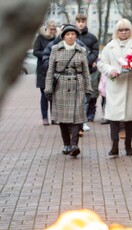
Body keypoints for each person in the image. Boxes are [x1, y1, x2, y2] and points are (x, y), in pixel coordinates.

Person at [97, 18, 132, 157]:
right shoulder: (109, 46)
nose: (123, 32)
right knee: (114, 118)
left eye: (126, 30)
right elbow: (101, 63)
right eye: (121, 30)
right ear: (116, 32)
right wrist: (111, 70)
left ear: (131, 31)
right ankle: (114, 145)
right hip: (115, 86)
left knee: (130, 118)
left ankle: (128, 145)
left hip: (130, 85)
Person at [45, 25, 92, 157]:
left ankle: (74, 145)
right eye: (68, 34)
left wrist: (88, 88)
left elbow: (86, 71)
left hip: (78, 85)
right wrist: (48, 88)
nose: (70, 36)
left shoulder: (81, 50)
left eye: (73, 34)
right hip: (61, 85)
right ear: (63, 36)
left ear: (76, 36)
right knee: (63, 118)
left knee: (78, 117)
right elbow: (50, 71)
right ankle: (66, 143)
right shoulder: (55, 49)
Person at [74, 13, 99, 132]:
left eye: (83, 21)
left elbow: (95, 51)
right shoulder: (70, 35)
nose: (81, 23)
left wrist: (87, 62)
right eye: (79, 21)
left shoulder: (92, 37)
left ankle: (83, 121)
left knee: (85, 97)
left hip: (88, 71)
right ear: (75, 22)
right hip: (74, 71)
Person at [33, 20, 57, 126]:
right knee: (44, 95)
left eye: (54, 29)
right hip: (43, 70)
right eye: (51, 29)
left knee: (54, 95)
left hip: (54, 70)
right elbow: (35, 51)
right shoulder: (40, 38)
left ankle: (54, 117)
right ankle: (44, 117)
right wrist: (47, 54)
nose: (52, 31)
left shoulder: (57, 39)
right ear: (47, 28)